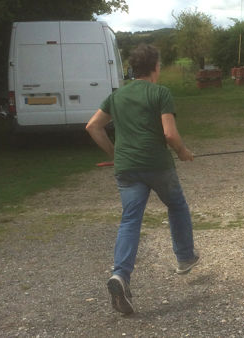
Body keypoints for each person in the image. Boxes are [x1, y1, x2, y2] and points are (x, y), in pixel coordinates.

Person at [86, 43, 199, 315]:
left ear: (133, 69)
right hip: (157, 165)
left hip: (126, 169)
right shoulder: (160, 93)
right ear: (155, 67)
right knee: (177, 205)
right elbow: (170, 134)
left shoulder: (117, 97)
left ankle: (120, 275)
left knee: (130, 219)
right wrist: (183, 152)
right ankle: (184, 257)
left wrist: (116, 153)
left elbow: (93, 126)